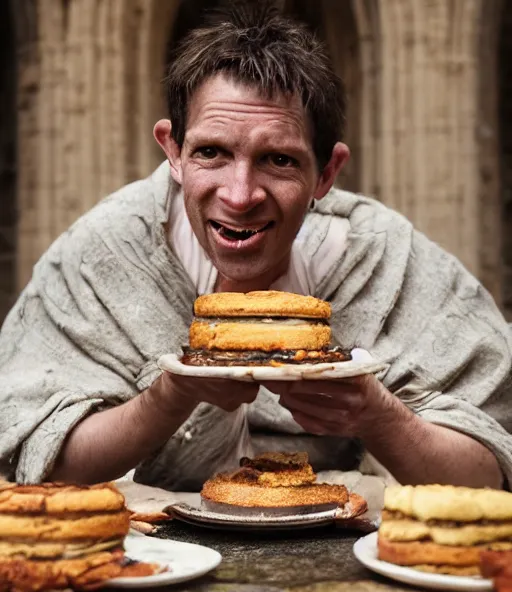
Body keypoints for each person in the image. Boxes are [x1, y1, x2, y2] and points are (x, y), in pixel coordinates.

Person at [0, 2, 511, 491]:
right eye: (211, 152)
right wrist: (169, 395)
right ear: (173, 151)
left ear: (326, 172)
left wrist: (377, 415)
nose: (240, 196)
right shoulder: (107, 254)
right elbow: (39, 462)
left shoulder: (385, 262)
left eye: (279, 160)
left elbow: (491, 472)